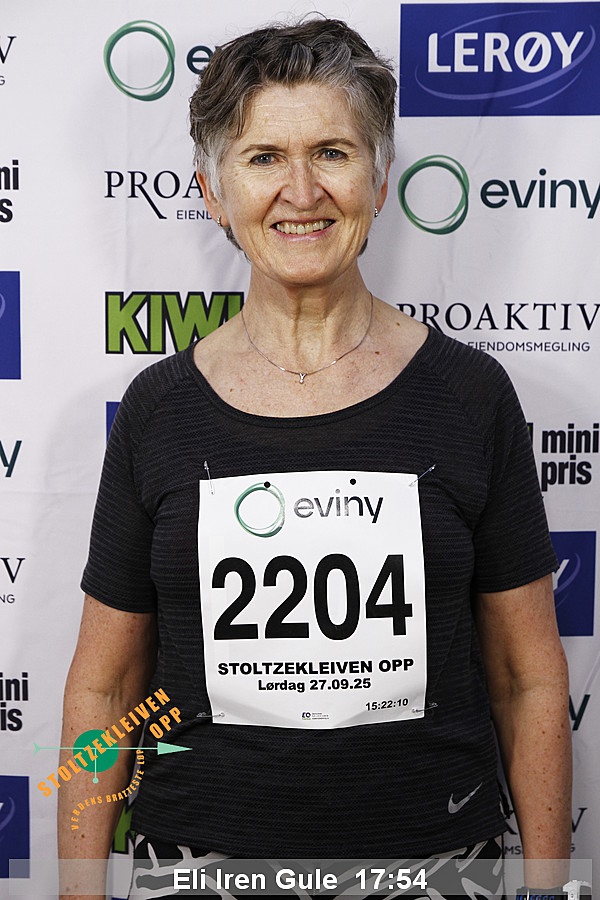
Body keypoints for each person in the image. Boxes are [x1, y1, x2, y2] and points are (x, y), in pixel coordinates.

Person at [59, 17, 572, 900]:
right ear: (213, 193)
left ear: (380, 178)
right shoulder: (158, 410)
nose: (301, 192)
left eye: (332, 152)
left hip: (438, 870)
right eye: (263, 158)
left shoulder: (470, 396)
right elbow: (103, 692)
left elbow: (527, 679)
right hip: (196, 872)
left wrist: (551, 887)